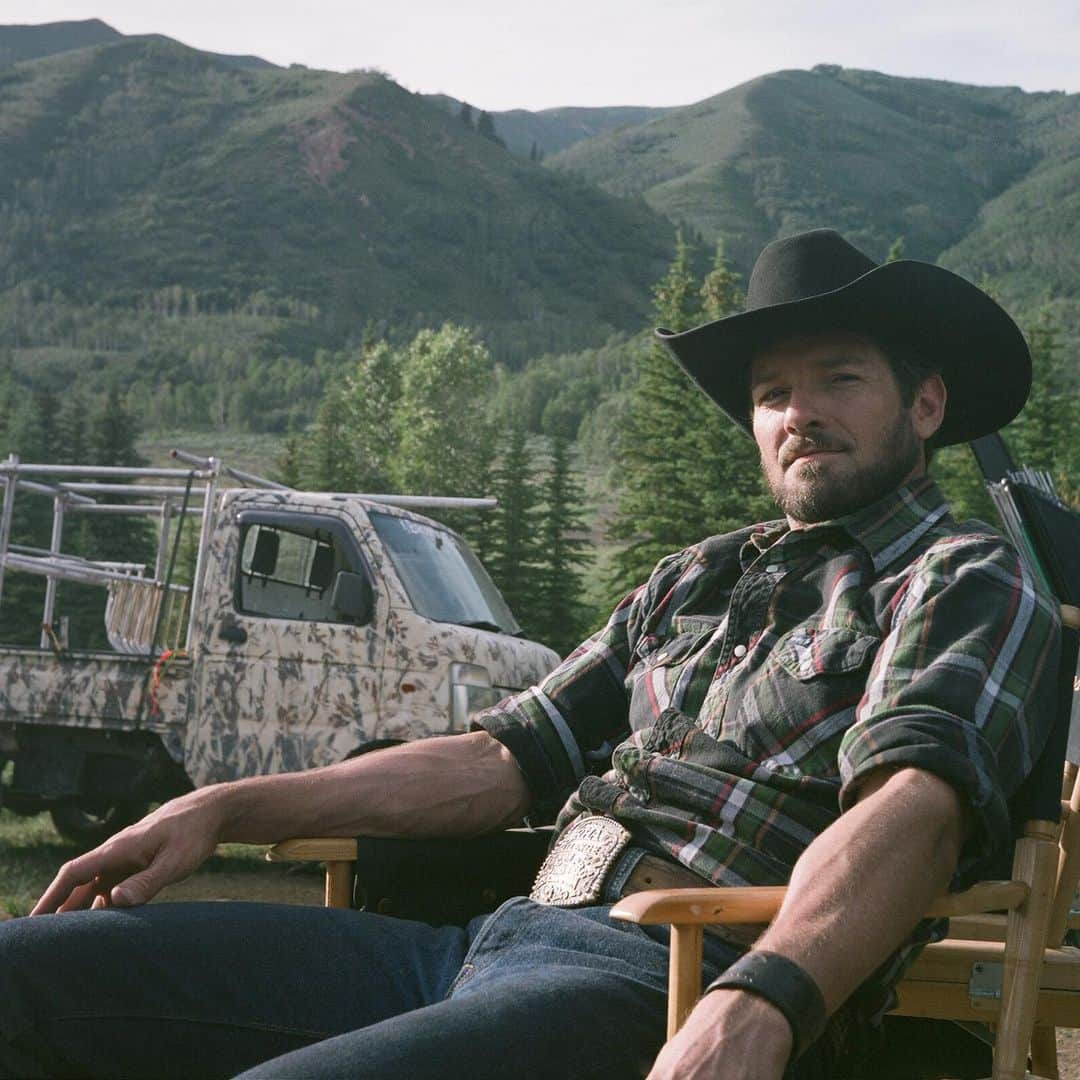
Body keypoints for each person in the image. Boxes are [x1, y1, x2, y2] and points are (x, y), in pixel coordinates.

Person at [0, 229, 1061, 1080]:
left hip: (671, 976)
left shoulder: (957, 578)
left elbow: (913, 813)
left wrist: (767, 1000)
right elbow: (499, 759)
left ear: (925, 406)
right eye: (773, 391)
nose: (800, 414)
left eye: (841, 379)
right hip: (488, 942)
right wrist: (223, 808)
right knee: (25, 974)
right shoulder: (695, 576)